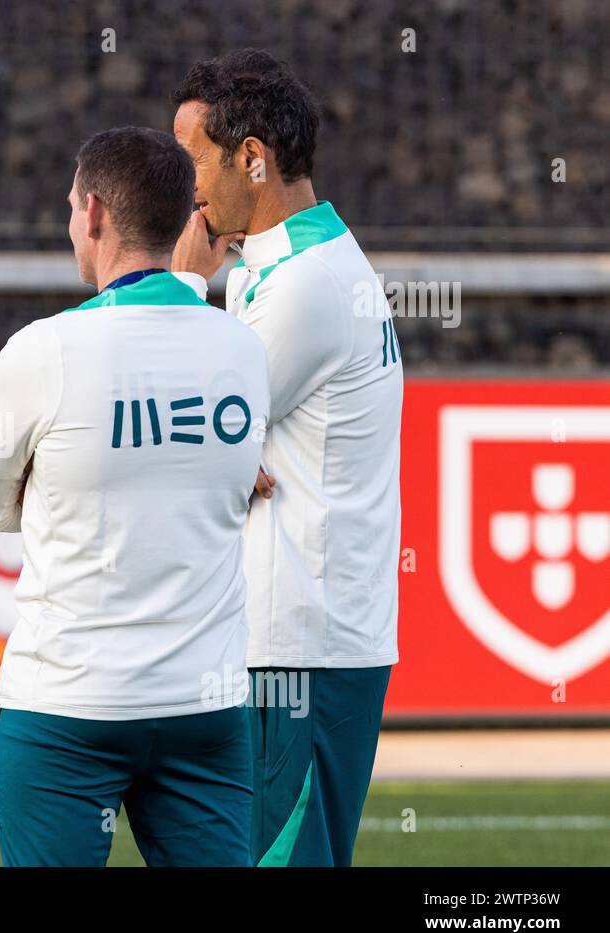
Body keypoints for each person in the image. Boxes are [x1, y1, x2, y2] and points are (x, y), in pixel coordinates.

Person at [0, 126, 270, 866]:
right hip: (205, 703)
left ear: (92, 212)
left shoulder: (46, 347)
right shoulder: (240, 349)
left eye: (70, 207)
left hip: (69, 703)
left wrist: (49, 486)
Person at [170, 49, 403, 866]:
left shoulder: (303, 284)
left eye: (193, 158)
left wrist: (182, 289)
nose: (183, 182)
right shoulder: (301, 266)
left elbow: (176, 426)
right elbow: (213, 434)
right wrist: (227, 447)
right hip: (310, 639)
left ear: (252, 158)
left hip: (295, 644)